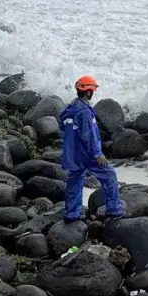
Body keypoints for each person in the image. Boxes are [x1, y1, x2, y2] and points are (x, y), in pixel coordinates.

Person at [60, 74, 124, 223]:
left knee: (75, 180)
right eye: (93, 90)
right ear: (88, 92)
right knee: (109, 175)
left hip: (73, 153)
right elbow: (88, 135)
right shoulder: (85, 112)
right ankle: (114, 211)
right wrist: (97, 153)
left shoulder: (70, 108)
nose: (93, 92)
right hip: (87, 154)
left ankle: (71, 214)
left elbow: (62, 123)